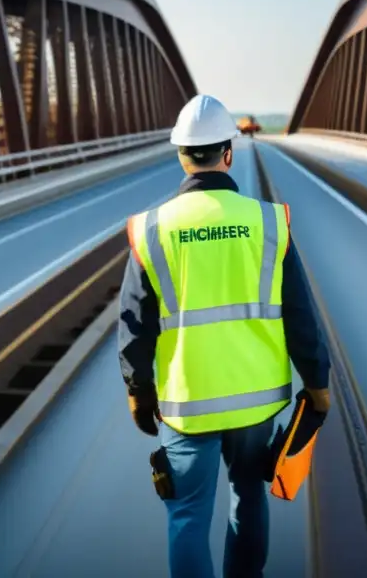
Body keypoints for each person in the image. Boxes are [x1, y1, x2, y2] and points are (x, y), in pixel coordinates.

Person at [119, 94, 331, 578]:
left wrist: (138, 392)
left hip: (186, 404)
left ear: (181, 154)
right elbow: (300, 314)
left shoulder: (151, 230)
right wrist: (317, 386)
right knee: (248, 495)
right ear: (228, 153)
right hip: (255, 403)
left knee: (188, 515)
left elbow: (134, 325)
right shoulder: (269, 223)